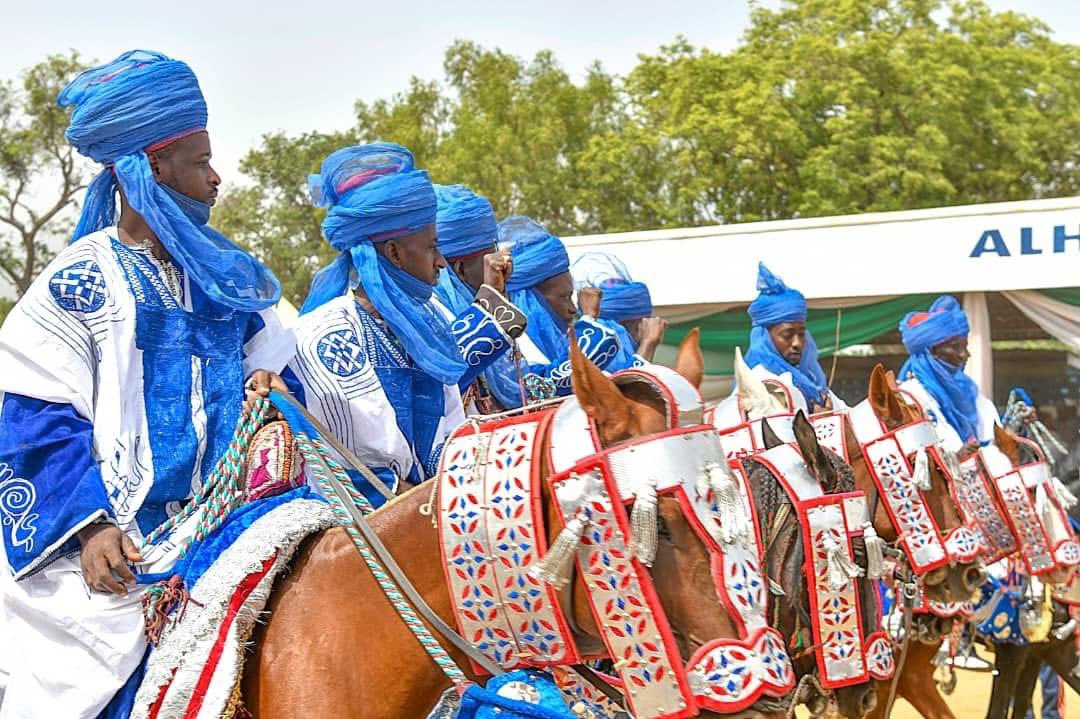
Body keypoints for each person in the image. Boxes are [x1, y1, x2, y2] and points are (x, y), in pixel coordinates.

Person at [0, 50, 291, 718]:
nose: (217, 179)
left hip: (233, 524)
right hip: (118, 548)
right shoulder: (80, 282)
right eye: (199, 162)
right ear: (151, 168)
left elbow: (279, 369)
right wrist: (90, 528)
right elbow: (35, 422)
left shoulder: (230, 278)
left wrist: (270, 389)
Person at [287, 144, 525, 504]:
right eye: (431, 248)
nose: (441, 262)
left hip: (427, 505)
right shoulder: (330, 332)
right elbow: (369, 473)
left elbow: (452, 429)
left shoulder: (433, 320)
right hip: (366, 523)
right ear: (395, 253)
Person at [711, 262, 845, 428]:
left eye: (801, 334)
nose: (797, 343)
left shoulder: (814, 382)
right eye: (787, 335)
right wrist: (820, 425)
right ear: (764, 338)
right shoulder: (759, 385)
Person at [433, 183, 520, 412]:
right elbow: (443, 381)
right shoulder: (432, 315)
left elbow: (525, 386)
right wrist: (491, 299)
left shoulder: (497, 312)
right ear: (460, 269)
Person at [897, 295, 998, 452]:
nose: (964, 355)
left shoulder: (969, 390)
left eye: (965, 346)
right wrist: (956, 458)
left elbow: (993, 437)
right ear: (931, 352)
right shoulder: (911, 397)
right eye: (955, 347)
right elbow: (914, 457)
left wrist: (1017, 424)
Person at [571, 250, 667, 366]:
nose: (647, 325)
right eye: (637, 323)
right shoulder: (595, 354)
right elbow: (625, 383)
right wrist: (648, 343)